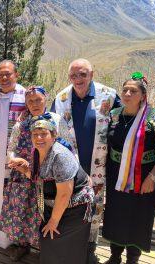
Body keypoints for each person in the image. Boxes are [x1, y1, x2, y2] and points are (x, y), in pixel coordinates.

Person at [51, 58, 119, 262]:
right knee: (71, 203)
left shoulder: (109, 95)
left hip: (99, 163)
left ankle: (90, 246)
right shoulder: (61, 98)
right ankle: (71, 245)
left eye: (83, 74)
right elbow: (51, 127)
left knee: (95, 205)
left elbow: (130, 115)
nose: (78, 79)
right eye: (73, 75)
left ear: (92, 74)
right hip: (71, 166)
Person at [102, 72, 155, 264]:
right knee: (116, 214)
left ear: (143, 96)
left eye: (133, 90)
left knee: (138, 217)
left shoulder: (154, 117)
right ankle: (114, 256)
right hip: (116, 174)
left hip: (144, 176)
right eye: (125, 90)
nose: (127, 93)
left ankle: (133, 258)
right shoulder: (114, 115)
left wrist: (153, 177)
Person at [13, 118, 94, 264]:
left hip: (76, 208)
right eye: (35, 134)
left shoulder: (59, 155)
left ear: (54, 135)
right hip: (60, 204)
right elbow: (43, 179)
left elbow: (64, 193)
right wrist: (25, 170)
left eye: (43, 134)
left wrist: (53, 221)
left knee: (52, 239)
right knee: (50, 242)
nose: (39, 138)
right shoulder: (38, 152)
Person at [0, 86, 60, 261]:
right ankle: (22, 245)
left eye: (38, 100)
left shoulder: (56, 120)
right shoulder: (21, 125)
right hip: (23, 177)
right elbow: (10, 150)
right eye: (30, 101)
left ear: (46, 100)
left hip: (48, 176)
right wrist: (17, 160)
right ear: (26, 103)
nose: (34, 104)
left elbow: (67, 146)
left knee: (44, 212)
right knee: (22, 211)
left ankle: (45, 248)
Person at [0, 60, 26, 248]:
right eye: (0, 74)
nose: (4, 77)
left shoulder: (25, 95)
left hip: (16, 157)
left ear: (16, 75)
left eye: (8, 73)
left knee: (14, 197)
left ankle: (13, 240)